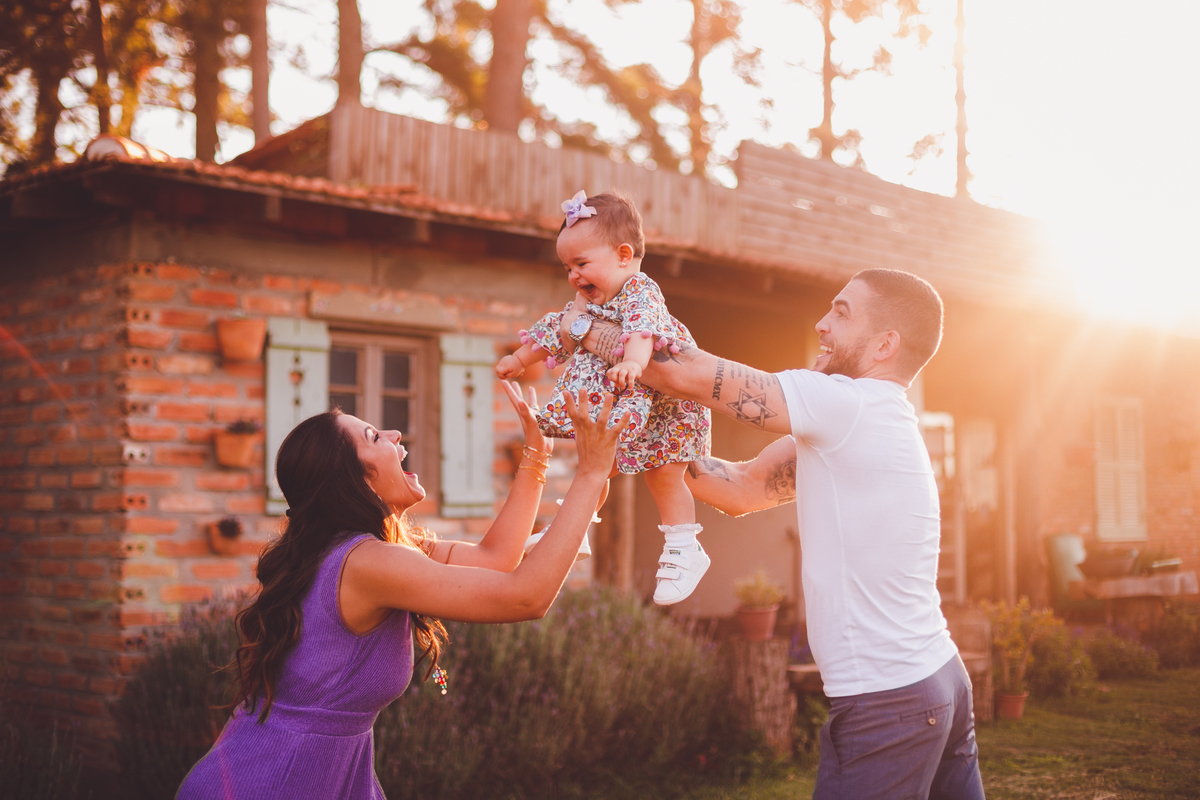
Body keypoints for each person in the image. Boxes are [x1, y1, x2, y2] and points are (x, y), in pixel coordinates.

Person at [561, 268, 986, 800]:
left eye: (841, 312)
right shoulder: (867, 420)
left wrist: (577, 326)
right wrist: (654, 449)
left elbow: (677, 372)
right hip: (936, 677)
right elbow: (740, 489)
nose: (822, 324)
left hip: (889, 699)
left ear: (884, 345)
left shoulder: (844, 404)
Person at [176, 384, 627, 800]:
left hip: (305, 774)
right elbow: (524, 597)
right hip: (271, 782)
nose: (394, 433)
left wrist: (537, 456)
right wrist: (589, 475)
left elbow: (496, 559)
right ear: (361, 480)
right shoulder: (371, 563)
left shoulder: (375, 551)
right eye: (374, 437)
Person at [496, 190, 713, 606]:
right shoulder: (589, 301)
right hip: (622, 402)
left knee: (665, 474)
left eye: (581, 263)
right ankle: (573, 527)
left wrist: (633, 362)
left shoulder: (639, 291)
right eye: (567, 268)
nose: (574, 276)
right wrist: (521, 357)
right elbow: (556, 328)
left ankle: (685, 547)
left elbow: (643, 329)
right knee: (596, 465)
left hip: (666, 403)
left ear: (623, 254)